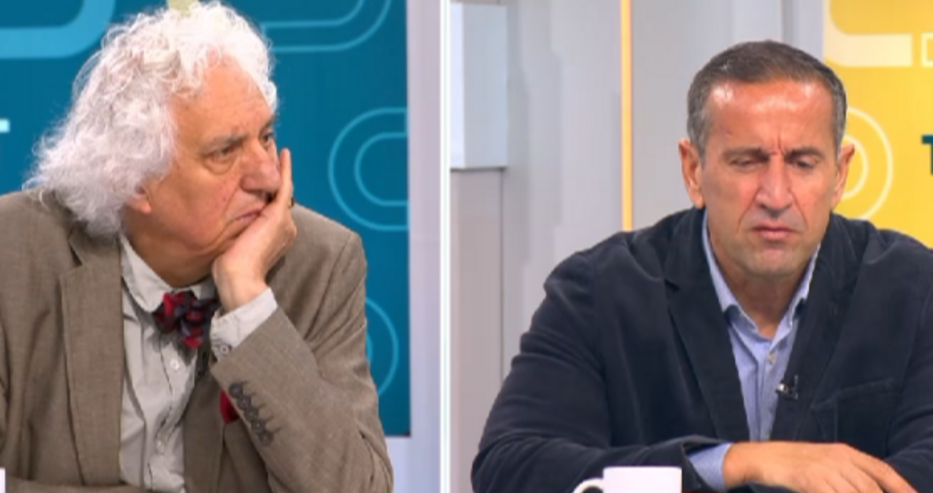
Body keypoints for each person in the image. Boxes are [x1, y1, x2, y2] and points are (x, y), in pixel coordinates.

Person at [473, 40, 933, 493]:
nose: (776, 195)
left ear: (840, 174)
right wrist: (734, 462)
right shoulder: (599, 293)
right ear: (693, 170)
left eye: (803, 163)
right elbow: (510, 468)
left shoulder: (913, 289)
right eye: (747, 162)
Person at [0, 2, 392, 492]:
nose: (269, 176)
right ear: (132, 181)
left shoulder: (320, 264)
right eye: (225, 152)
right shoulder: (16, 254)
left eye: (266, 137)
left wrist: (250, 306)